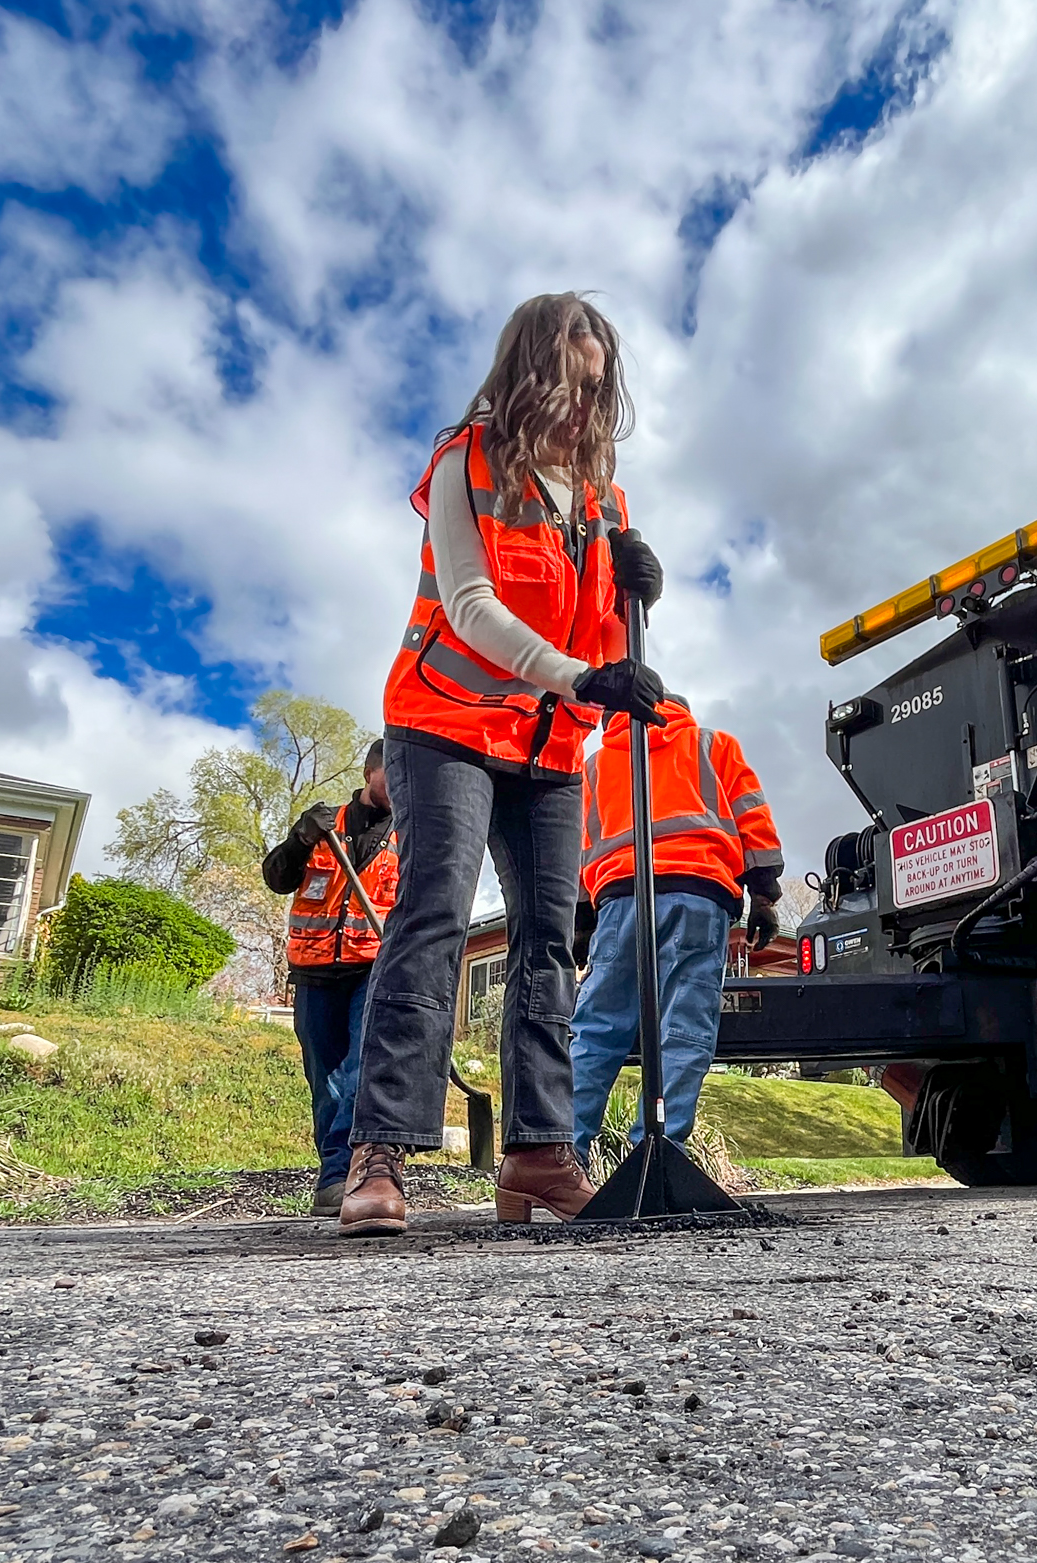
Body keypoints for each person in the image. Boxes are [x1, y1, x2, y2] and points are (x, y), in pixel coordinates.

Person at [338, 292, 671, 1237]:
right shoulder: (467, 461)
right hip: (445, 722)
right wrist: (582, 678)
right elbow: (472, 603)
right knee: (435, 912)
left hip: (548, 744)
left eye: (597, 386)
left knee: (551, 938)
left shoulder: (605, 501)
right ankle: (380, 1151)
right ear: (529, 372)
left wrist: (638, 609)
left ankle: (537, 1154)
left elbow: (600, 637)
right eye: (570, 380)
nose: (584, 403)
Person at [569, 696, 783, 1156]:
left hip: (619, 900)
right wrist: (763, 895)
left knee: (597, 1029)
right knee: (683, 1027)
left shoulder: (594, 767)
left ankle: (564, 1155)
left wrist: (582, 925)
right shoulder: (713, 745)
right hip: (698, 894)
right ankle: (659, 1155)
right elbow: (753, 819)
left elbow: (579, 850)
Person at [261, 741, 396, 1219]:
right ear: (368, 773)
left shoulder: (409, 834)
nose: (400, 785)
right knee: (325, 1078)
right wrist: (299, 838)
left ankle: (343, 1175)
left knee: (359, 1069)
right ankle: (334, 1174)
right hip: (315, 971)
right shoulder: (323, 826)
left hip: (372, 968)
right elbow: (277, 878)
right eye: (391, 774)